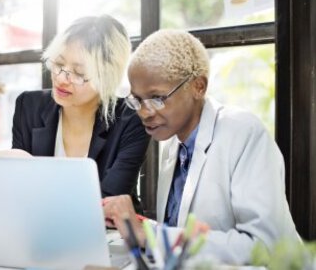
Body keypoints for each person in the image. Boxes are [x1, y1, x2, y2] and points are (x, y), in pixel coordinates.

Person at [102, 29, 299, 264]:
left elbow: (266, 247)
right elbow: (181, 235)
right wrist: (137, 226)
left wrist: (150, 235)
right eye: (137, 100)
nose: (144, 113)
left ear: (198, 87)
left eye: (157, 98)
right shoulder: (173, 146)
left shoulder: (242, 131)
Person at [0, 15, 150, 209]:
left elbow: (108, 202)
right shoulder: (29, 106)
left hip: (110, 240)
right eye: (58, 63)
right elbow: (15, 195)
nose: (60, 78)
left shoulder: (130, 119)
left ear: (107, 76)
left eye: (78, 73)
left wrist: (28, 168)